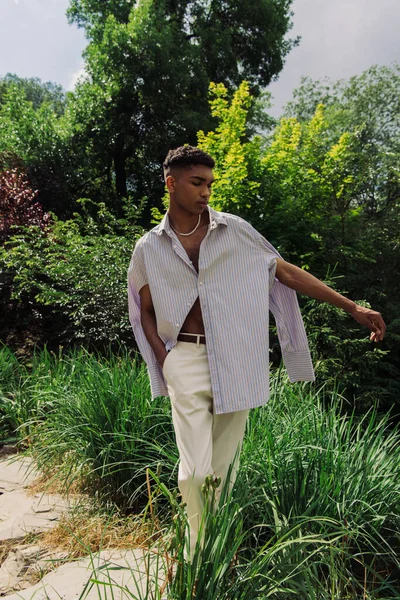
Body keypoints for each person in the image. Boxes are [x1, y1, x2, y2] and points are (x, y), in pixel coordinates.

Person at [127, 145, 386, 560]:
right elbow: (143, 310)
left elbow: (284, 271)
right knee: (194, 474)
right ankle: (198, 555)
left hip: (237, 359)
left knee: (222, 474)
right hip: (186, 360)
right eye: (197, 182)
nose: (206, 192)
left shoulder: (236, 231)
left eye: (210, 183)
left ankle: (208, 557)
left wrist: (351, 306)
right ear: (171, 183)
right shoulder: (149, 247)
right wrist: (165, 359)